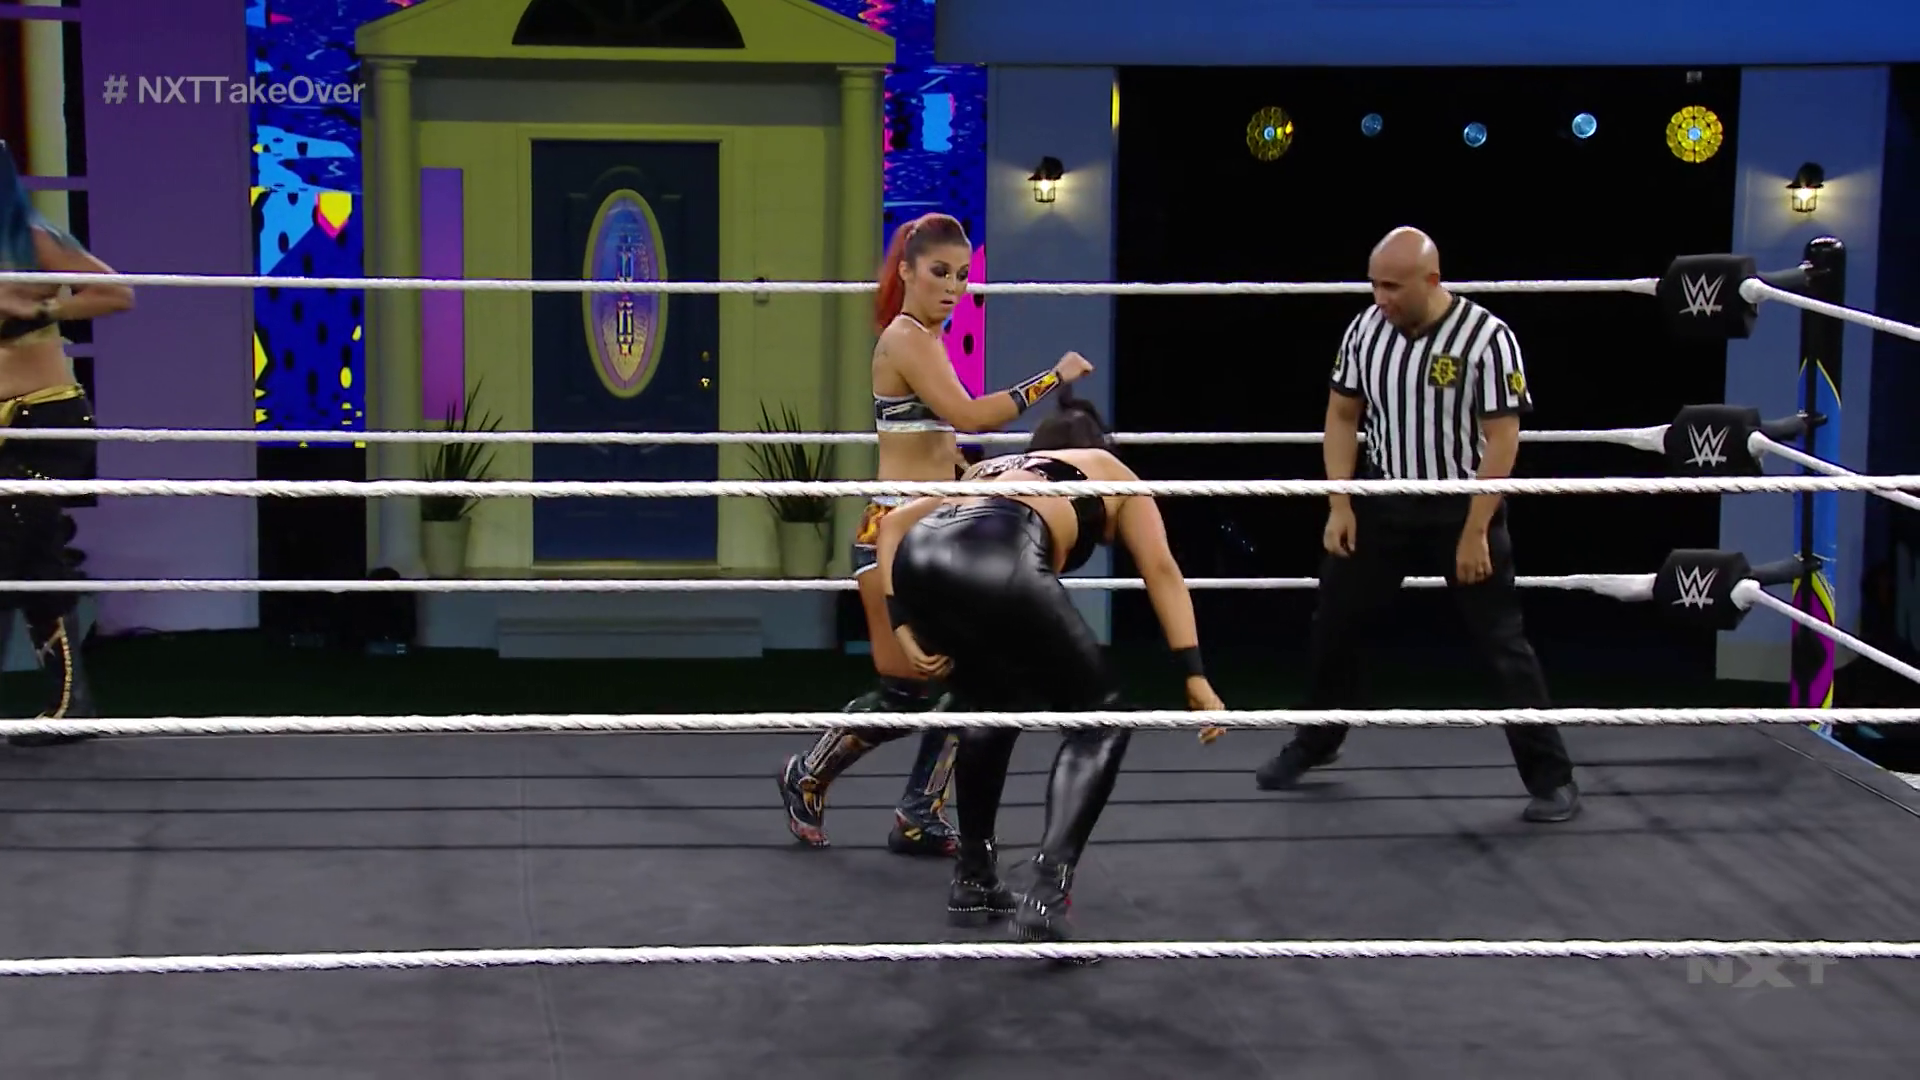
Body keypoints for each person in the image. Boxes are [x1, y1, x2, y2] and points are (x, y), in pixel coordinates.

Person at [777, 212, 1093, 855]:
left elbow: (937, 438)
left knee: (976, 677)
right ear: (907, 272)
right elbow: (970, 414)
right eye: (940, 273)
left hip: (939, 532)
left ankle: (920, 813)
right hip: (893, 535)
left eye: (962, 276)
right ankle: (807, 772)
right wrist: (1054, 377)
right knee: (905, 691)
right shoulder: (905, 337)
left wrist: (975, 473)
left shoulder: (928, 339)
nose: (952, 287)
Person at [1249, 226, 1579, 822]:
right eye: (1374, 285)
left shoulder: (1487, 338)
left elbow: (1503, 439)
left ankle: (1553, 779)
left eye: (1393, 287)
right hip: (1381, 501)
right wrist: (1340, 502)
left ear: (1431, 280)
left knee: (1502, 642)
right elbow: (1341, 415)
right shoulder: (1364, 330)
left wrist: (1476, 529)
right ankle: (1317, 740)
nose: (1381, 298)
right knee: (1334, 622)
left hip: (1461, 505)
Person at [876, 393, 1225, 942]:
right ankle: (1046, 895)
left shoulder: (992, 469)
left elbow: (893, 523)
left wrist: (901, 623)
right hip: (1001, 549)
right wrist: (1194, 673)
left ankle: (974, 878)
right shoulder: (1107, 467)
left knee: (990, 704)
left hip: (920, 558)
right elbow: (1160, 569)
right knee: (1101, 720)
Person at [0, 141, 134, 747]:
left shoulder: (30, 237)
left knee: (17, 551)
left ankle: (72, 704)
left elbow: (117, 292)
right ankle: (70, 704)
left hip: (42, 421)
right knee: (31, 558)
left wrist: (39, 307)